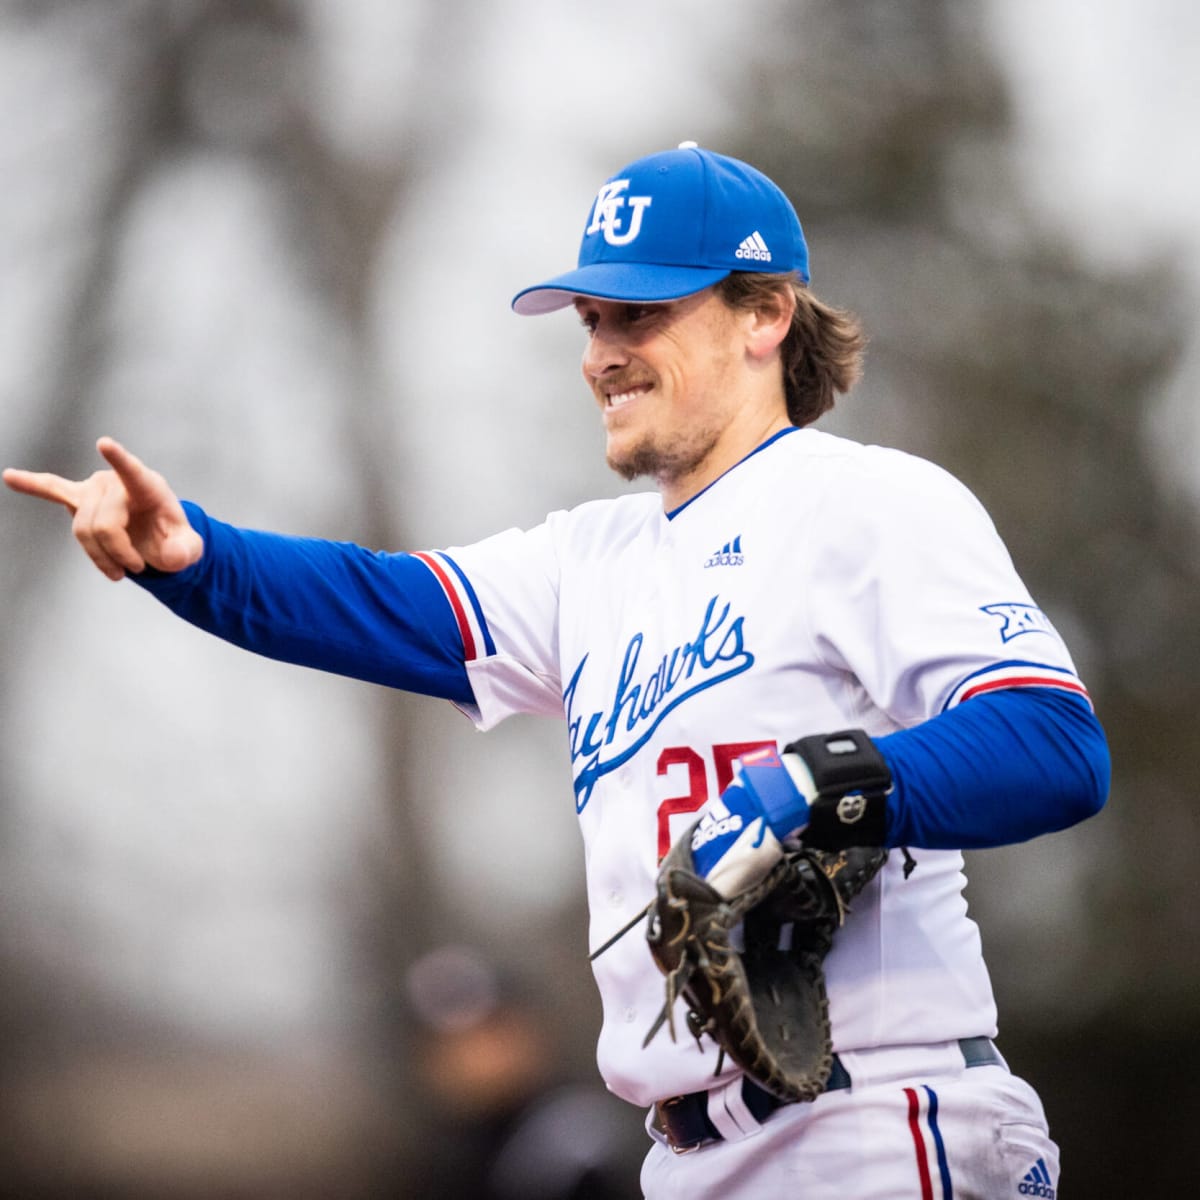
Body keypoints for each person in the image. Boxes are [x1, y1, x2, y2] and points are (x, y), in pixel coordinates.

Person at [4, 142, 1109, 1199]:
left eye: (642, 312)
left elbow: (1054, 745)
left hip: (873, 1124)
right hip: (690, 1156)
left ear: (766, 313)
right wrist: (190, 555)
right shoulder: (590, 562)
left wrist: (818, 785)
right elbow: (377, 605)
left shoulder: (867, 504)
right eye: (591, 319)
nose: (600, 352)